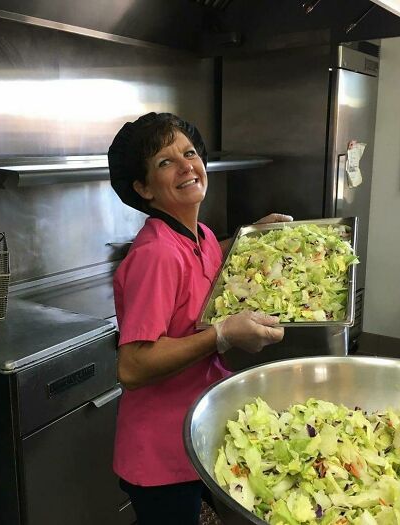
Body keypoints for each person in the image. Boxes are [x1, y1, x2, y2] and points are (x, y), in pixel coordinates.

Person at [107, 111, 291, 525]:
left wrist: (249, 238)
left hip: (193, 428)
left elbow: (208, 257)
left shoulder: (197, 234)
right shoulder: (155, 255)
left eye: (189, 153)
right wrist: (221, 335)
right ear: (143, 188)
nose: (187, 166)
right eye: (165, 162)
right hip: (158, 453)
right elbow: (133, 366)